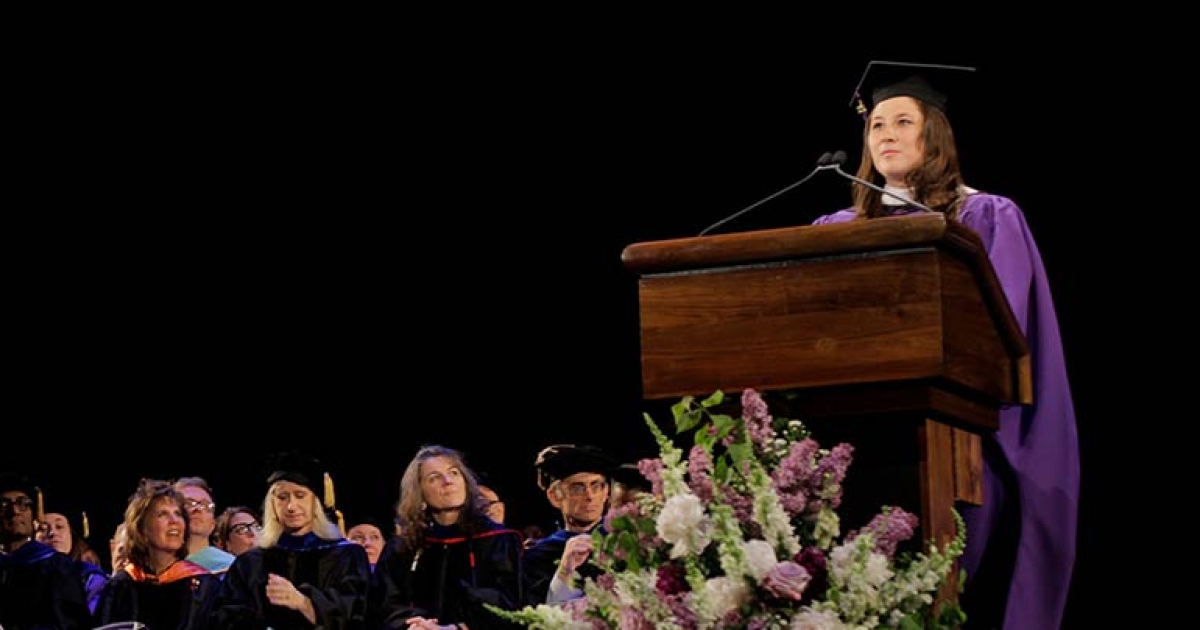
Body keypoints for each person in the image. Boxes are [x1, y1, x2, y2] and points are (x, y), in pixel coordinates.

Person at [810, 60, 1079, 630]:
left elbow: (993, 322)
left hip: (953, 431)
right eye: (877, 124)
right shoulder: (833, 228)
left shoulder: (984, 215)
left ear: (934, 134)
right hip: (848, 430)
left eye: (903, 121)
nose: (886, 134)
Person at [369, 444, 525, 630]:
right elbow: (384, 605)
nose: (447, 481)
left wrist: (458, 628)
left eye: (454, 473)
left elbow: (512, 605)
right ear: (420, 493)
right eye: (434, 478)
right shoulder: (403, 548)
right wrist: (411, 624)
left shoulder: (500, 541)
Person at [212, 451, 370, 630]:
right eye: (282, 497)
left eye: (300, 495)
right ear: (272, 504)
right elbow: (226, 616)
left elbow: (357, 614)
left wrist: (304, 603)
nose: (291, 506)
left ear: (315, 502)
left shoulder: (346, 556)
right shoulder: (250, 563)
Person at [92, 477, 222, 630]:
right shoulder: (121, 585)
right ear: (141, 529)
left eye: (178, 514)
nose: (174, 521)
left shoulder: (204, 586)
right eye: (162, 514)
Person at [521, 444, 618, 606]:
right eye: (577, 488)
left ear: (606, 492)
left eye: (596, 485)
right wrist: (565, 570)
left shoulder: (626, 541)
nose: (590, 496)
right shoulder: (536, 558)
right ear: (554, 496)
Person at [0, 473, 93, 630]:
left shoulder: (55, 565)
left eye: (23, 503)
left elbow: (69, 623)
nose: (15, 510)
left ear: (34, 517)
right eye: (3, 504)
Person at [36, 510, 109, 614]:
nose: (52, 533)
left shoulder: (90, 578)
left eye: (59, 526)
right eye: (42, 528)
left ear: (71, 536)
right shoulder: (22, 577)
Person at [173, 476, 237, 573]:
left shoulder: (232, 568)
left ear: (213, 524)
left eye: (206, 505)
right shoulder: (152, 566)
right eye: (188, 503)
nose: (197, 509)